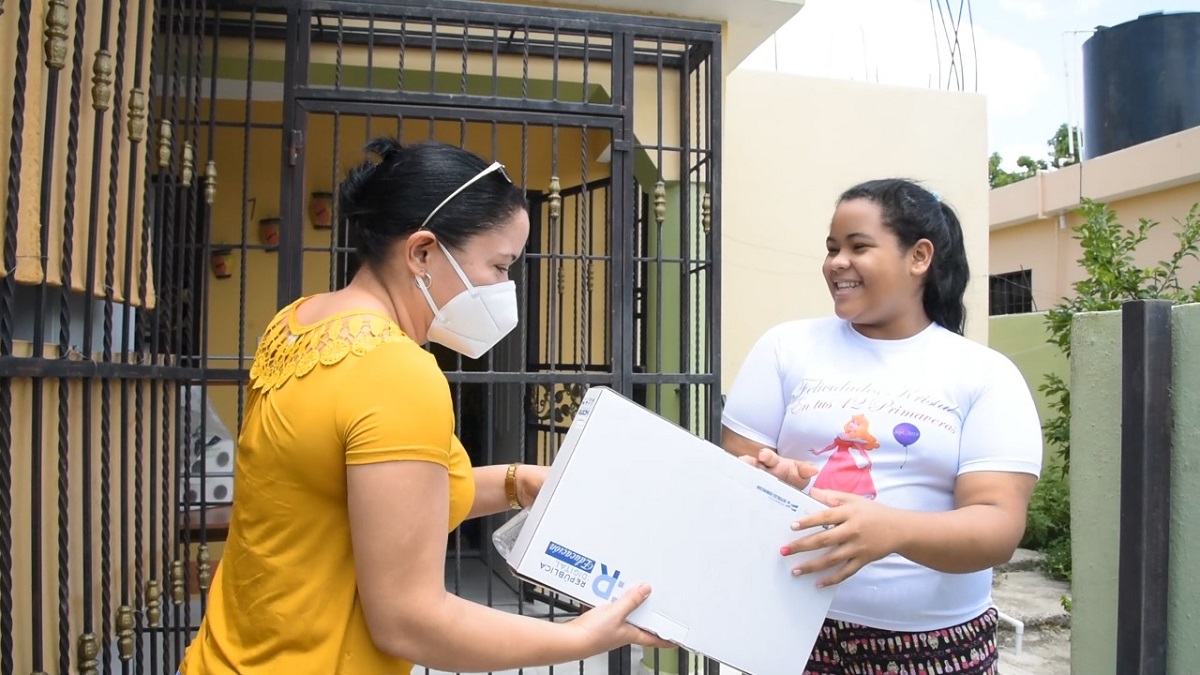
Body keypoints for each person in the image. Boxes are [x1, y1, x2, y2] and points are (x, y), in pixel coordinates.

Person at [180, 138, 667, 675]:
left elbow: (366, 496)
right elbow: (408, 620)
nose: (507, 287)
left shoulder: (299, 323)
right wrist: (580, 636)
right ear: (422, 252)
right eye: (501, 266)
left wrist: (514, 482)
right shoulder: (394, 371)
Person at [721, 178, 1042, 675]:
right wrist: (770, 482)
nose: (836, 263)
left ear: (919, 257)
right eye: (832, 249)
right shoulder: (785, 348)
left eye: (858, 247)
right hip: (785, 625)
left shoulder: (984, 374)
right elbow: (733, 482)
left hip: (931, 643)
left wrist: (893, 530)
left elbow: (998, 525)